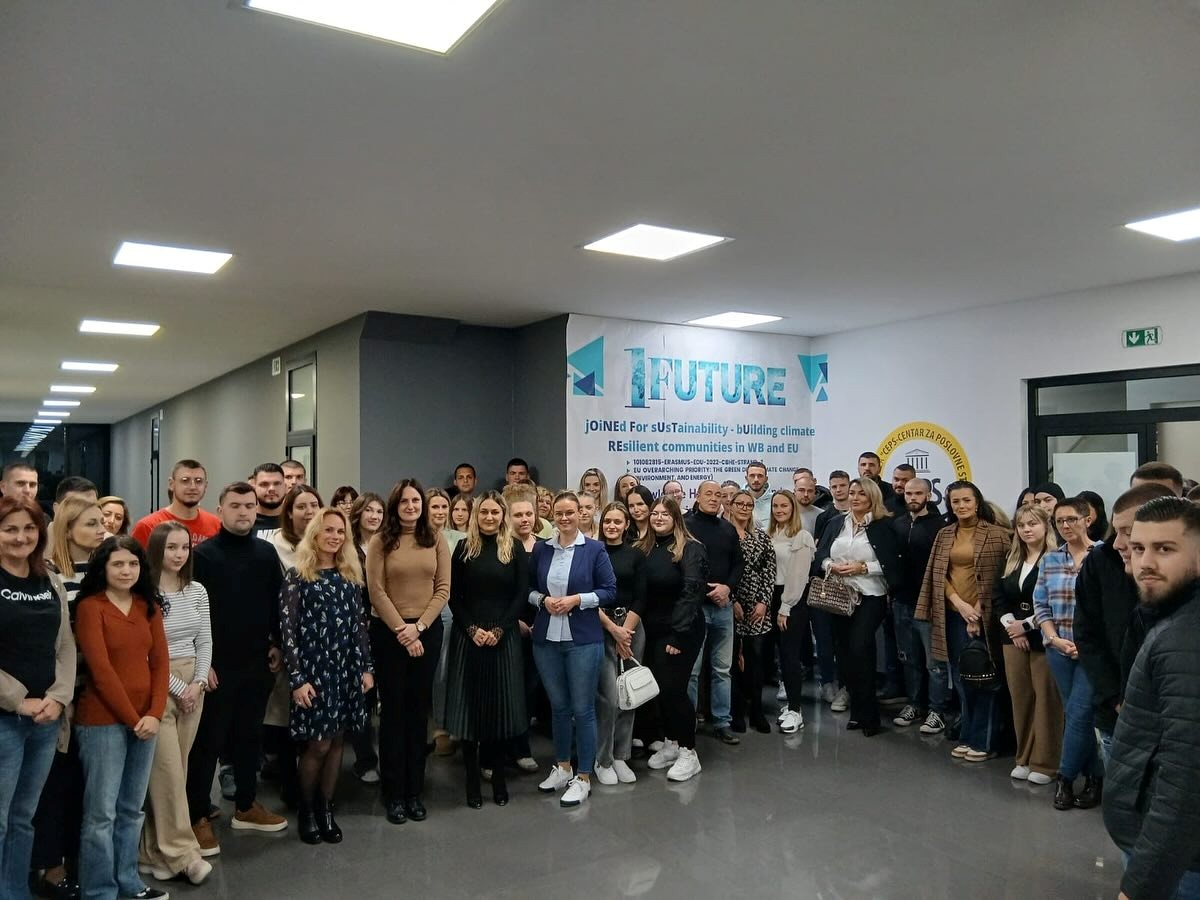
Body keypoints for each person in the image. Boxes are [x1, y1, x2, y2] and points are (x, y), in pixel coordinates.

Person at [1104, 497, 1200, 900]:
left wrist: (1141, 885)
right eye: (1138, 547)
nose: (1145, 562)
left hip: (1177, 864)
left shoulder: (1185, 639)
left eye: (1165, 549)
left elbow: (1186, 778)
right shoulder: (1171, 618)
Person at [186, 482, 287, 859]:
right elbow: (194, 612)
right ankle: (198, 815)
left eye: (249, 505)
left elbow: (277, 603)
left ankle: (246, 806)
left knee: (249, 737)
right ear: (221, 510)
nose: (243, 512)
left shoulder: (265, 552)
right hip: (216, 665)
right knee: (208, 743)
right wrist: (204, 663)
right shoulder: (204, 555)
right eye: (235, 505)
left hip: (257, 662)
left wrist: (276, 644)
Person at [73, 536, 169, 900]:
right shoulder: (90, 607)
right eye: (118, 564)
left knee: (131, 809)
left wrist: (154, 714)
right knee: (101, 814)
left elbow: (160, 664)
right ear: (103, 568)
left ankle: (128, 882)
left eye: (132, 564)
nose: (126, 571)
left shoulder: (148, 606)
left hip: (146, 721)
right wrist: (135, 719)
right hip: (103, 722)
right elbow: (101, 672)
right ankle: (100, 891)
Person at [280, 508, 373, 846]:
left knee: (337, 742)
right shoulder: (297, 576)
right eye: (328, 530)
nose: (334, 536)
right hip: (314, 672)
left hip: (346, 669)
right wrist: (297, 679)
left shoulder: (350, 575)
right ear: (315, 534)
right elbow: (288, 632)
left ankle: (326, 808)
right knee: (318, 744)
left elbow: (359, 626)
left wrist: (366, 667)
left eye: (340, 531)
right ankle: (306, 810)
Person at [0, 496, 74, 900]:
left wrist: (59, 697)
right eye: (9, 529)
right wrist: (17, 699)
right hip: (6, 720)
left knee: (23, 817)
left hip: (45, 720)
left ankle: (15, 891)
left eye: (29, 528)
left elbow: (65, 645)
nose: (21, 537)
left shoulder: (50, 579)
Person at [32, 495, 105, 900]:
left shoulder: (103, 569)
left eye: (102, 522)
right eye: (92, 523)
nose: (102, 530)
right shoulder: (47, 573)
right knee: (55, 783)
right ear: (68, 528)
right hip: (63, 692)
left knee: (86, 782)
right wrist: (66, 692)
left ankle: (80, 859)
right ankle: (51, 864)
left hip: (101, 690)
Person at [366, 479, 449, 826]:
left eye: (416, 501)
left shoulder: (435, 538)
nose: (411, 507)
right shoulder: (380, 540)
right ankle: (394, 792)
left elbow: (443, 589)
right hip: (389, 633)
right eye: (404, 502)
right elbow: (376, 591)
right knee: (393, 714)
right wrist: (404, 630)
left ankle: (414, 790)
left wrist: (420, 628)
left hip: (427, 632)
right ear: (395, 506)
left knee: (418, 713)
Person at [1074, 483, 1175, 766]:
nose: (1119, 543)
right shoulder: (1101, 561)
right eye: (1116, 531)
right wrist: (1115, 698)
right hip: (1115, 713)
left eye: (1128, 533)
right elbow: (1087, 633)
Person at [528, 491, 617, 808]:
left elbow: (609, 591)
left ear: (581, 514)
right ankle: (563, 767)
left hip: (583, 639)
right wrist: (542, 600)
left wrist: (578, 600)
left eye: (570, 512)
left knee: (583, 709)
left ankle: (583, 777)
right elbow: (527, 589)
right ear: (552, 515)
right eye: (559, 513)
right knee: (559, 707)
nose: (564, 518)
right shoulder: (541, 549)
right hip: (547, 640)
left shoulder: (594, 549)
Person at [137, 523, 213, 885]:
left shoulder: (197, 590)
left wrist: (198, 684)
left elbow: (205, 640)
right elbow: (145, 651)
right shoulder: (144, 593)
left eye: (185, 548)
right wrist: (179, 688)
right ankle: (185, 854)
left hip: (193, 685)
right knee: (166, 772)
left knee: (174, 774)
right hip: (158, 683)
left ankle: (151, 853)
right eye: (172, 548)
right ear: (157, 550)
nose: (180, 554)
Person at [445, 492, 529, 808]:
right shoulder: (463, 548)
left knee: (499, 708)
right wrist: (472, 629)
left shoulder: (514, 548)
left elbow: (521, 594)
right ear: (475, 515)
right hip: (469, 636)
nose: (489, 517)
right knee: (470, 709)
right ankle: (471, 779)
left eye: (495, 512)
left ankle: (498, 777)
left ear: (502, 515)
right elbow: (453, 596)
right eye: (484, 512)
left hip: (503, 636)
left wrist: (499, 630)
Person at [916, 480, 1009, 760]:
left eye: (966, 500)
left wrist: (976, 612)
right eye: (955, 501)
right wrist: (959, 603)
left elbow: (1001, 578)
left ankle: (986, 742)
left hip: (986, 618)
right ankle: (968, 735)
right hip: (954, 616)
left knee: (986, 679)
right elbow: (938, 574)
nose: (961, 505)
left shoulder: (998, 535)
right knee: (962, 679)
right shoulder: (944, 534)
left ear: (977, 502)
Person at [813, 478, 903, 737]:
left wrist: (863, 568)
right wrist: (831, 566)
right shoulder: (836, 523)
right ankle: (857, 713)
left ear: (872, 497)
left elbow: (893, 564)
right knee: (846, 653)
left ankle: (870, 716)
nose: (854, 498)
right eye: (852, 493)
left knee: (860, 647)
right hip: (840, 595)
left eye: (861, 494)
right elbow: (821, 555)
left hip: (871, 595)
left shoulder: (884, 525)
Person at [1035, 496, 1104, 811]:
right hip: (1058, 649)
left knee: (1079, 713)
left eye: (1071, 519)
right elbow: (1041, 606)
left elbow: (1109, 609)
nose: (1065, 525)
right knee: (1076, 716)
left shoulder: (1103, 556)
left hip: (1093, 652)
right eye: (1059, 521)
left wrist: (1086, 645)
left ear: (1087, 520)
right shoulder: (1050, 560)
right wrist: (1054, 639)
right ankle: (1095, 777)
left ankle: (1064, 778)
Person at [639, 498, 707, 781]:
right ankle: (672, 742)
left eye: (665, 514)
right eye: (654, 513)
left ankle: (689, 752)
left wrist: (678, 635)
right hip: (652, 631)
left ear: (676, 517)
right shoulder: (645, 548)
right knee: (660, 691)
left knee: (673, 690)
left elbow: (692, 591)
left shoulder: (690, 548)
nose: (658, 518)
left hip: (681, 631)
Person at [995, 504, 1061, 786]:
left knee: (1046, 700)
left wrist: (1027, 625)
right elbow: (998, 595)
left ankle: (1046, 763)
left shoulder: (1056, 558)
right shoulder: (1011, 558)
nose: (1026, 530)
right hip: (1012, 638)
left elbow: (1056, 599)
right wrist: (1013, 627)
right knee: (1020, 698)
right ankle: (1023, 757)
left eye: (1032, 524)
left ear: (1046, 526)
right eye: (1021, 525)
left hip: (1043, 636)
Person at [684, 481, 743, 745]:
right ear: (697, 496)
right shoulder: (685, 525)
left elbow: (738, 564)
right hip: (695, 608)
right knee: (692, 670)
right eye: (708, 494)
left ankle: (722, 722)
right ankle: (688, 722)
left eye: (718, 495)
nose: (714, 498)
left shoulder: (727, 528)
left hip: (723, 607)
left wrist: (727, 588)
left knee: (722, 669)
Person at [890, 478, 950, 732]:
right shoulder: (897, 524)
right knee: (909, 658)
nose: (912, 497)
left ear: (928, 495)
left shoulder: (940, 527)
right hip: (901, 602)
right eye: (908, 493)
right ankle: (915, 704)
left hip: (930, 603)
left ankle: (938, 710)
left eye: (918, 493)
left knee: (934, 662)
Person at [593, 502, 646, 786]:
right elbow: (589, 595)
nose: (612, 526)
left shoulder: (635, 554)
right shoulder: (592, 552)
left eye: (617, 521)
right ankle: (602, 759)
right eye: (607, 521)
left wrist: (626, 632)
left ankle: (621, 755)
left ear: (626, 525)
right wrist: (614, 631)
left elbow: (642, 596)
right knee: (608, 697)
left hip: (632, 627)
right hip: (602, 626)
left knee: (629, 695)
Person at [726, 491, 776, 734]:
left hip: (757, 607)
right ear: (731, 506)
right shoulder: (724, 534)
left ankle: (757, 710)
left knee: (756, 660)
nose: (744, 508)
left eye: (749, 505)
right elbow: (719, 570)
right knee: (732, 661)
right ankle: (736, 711)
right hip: (731, 605)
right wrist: (732, 600)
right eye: (740, 504)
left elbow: (770, 570)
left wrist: (764, 601)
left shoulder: (761, 536)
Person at [347, 493, 385, 784]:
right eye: (369, 510)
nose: (374, 516)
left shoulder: (388, 544)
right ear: (358, 513)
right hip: (356, 629)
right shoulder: (346, 548)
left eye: (379, 511)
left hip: (386, 626)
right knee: (362, 696)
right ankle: (365, 759)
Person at [770, 490, 815, 735]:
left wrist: (785, 607)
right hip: (772, 598)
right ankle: (790, 705)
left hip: (792, 601)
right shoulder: (771, 533)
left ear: (793, 508)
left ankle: (796, 711)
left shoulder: (802, 536)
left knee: (790, 656)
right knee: (780, 656)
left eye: (784, 506)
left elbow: (798, 577)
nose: (779, 510)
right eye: (775, 506)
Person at [426, 488, 465, 758]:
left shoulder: (460, 538)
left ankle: (454, 725)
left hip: (454, 609)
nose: (440, 512)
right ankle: (437, 726)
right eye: (435, 507)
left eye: (444, 507)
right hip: (424, 610)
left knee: (452, 668)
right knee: (435, 671)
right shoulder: (417, 538)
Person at [131, 460, 221, 549]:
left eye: (198, 481)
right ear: (171, 484)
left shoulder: (216, 525)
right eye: (185, 480)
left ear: (206, 485)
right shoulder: (148, 526)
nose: (193, 487)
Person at [269, 485, 323, 569]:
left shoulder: (330, 539)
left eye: (314, 505)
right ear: (289, 513)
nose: (309, 511)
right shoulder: (274, 543)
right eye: (301, 507)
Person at [250, 463, 286, 538]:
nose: (271, 489)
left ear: (285, 487)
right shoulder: (245, 521)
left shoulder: (296, 520)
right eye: (264, 484)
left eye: (277, 483)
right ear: (254, 488)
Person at [814, 470, 851, 538]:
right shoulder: (822, 518)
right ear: (830, 489)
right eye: (834, 487)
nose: (838, 490)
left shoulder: (859, 514)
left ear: (850, 486)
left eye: (842, 485)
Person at [791, 471, 822, 536]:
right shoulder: (784, 513)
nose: (806, 494)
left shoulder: (822, 515)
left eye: (810, 491)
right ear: (794, 491)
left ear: (815, 493)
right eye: (801, 490)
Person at [744, 461, 771, 529]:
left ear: (766, 479)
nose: (756, 479)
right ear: (746, 478)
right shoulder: (738, 501)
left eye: (760, 476)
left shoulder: (774, 501)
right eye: (752, 476)